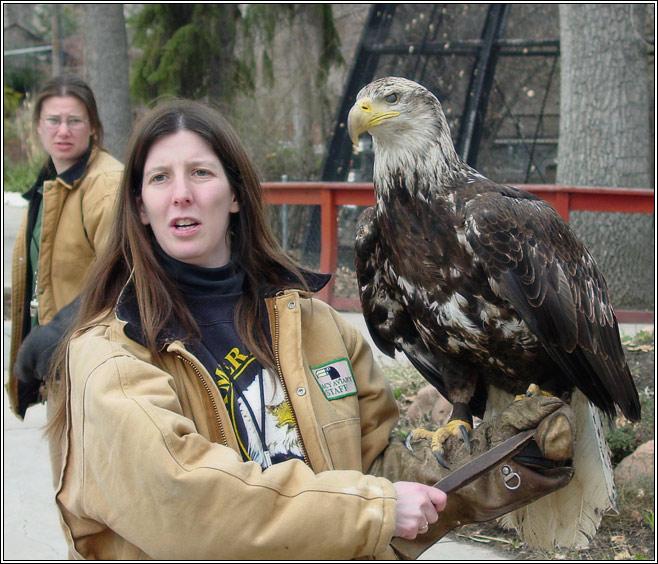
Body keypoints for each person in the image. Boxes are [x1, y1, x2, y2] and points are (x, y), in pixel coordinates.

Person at [46, 100, 575, 560]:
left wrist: (482, 464)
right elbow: (183, 500)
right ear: (140, 206)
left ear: (235, 195)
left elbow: (371, 465)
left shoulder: (315, 327)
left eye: (201, 173)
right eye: (160, 178)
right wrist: (374, 512)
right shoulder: (111, 356)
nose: (181, 193)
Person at [8, 75, 124, 419]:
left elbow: (124, 276)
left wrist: (58, 334)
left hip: (95, 367)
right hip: (61, 367)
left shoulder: (105, 185)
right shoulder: (51, 183)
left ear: (93, 128)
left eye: (74, 121)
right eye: (53, 121)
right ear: (38, 127)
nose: (63, 131)